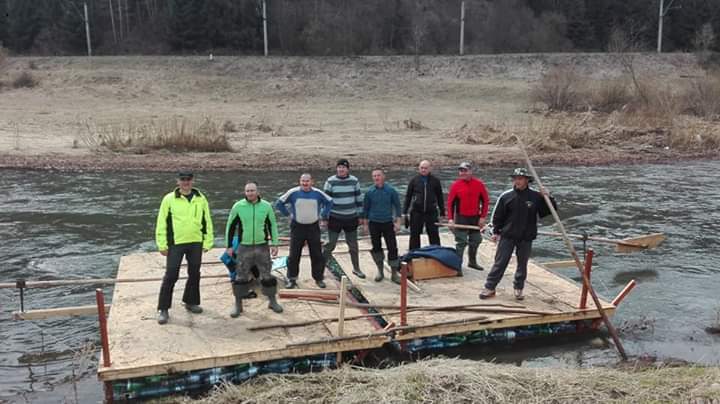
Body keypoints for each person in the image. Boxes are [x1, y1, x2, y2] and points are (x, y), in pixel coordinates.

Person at [480, 168, 556, 301]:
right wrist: (495, 232)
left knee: (522, 264)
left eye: (520, 179)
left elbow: (548, 211)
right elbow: (498, 216)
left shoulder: (536, 196)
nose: (517, 181)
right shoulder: (506, 196)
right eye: (515, 178)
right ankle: (490, 287)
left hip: (526, 237)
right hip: (507, 235)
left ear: (527, 180)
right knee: (500, 262)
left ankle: (518, 288)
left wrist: (548, 197)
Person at [155, 171, 214, 325]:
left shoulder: (201, 198)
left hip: (195, 242)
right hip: (175, 243)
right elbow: (161, 222)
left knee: (194, 273)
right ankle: (163, 309)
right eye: (183, 180)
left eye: (188, 179)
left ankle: (191, 302)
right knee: (171, 275)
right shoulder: (169, 199)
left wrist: (208, 241)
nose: (186, 182)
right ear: (178, 182)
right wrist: (162, 244)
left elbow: (207, 219)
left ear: (192, 181)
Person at [225, 181, 283, 318]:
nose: (250, 193)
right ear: (245, 192)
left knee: (267, 275)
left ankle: (272, 301)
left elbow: (272, 225)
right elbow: (230, 226)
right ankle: (238, 304)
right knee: (240, 277)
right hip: (244, 247)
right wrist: (229, 246)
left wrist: (275, 244)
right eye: (247, 191)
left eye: (252, 190)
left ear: (257, 191)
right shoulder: (238, 207)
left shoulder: (266, 206)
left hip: (262, 246)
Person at [275, 173, 333, 289]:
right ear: (299, 181)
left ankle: (318, 278)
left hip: (313, 227)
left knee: (316, 254)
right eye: (303, 181)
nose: (305, 183)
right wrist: (288, 214)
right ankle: (292, 279)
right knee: (294, 254)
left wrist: (323, 214)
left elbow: (330, 202)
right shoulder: (293, 192)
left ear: (312, 182)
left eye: (307, 181)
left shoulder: (318, 193)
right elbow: (279, 203)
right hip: (297, 227)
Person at [322, 159, 365, 278]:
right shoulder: (330, 181)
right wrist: (324, 218)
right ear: (337, 168)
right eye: (339, 167)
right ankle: (321, 266)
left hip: (351, 218)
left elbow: (359, 199)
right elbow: (325, 201)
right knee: (331, 243)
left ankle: (356, 269)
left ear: (348, 169)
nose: (341, 169)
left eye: (344, 167)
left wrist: (361, 216)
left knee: (353, 245)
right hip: (335, 218)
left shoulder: (354, 181)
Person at [447, 162, 490, 271]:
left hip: (475, 217)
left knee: (476, 240)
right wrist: (451, 219)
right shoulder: (455, 185)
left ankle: (472, 262)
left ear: (471, 171)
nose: (462, 173)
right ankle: (457, 266)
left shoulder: (479, 184)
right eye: (461, 170)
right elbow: (450, 204)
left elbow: (485, 201)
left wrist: (483, 217)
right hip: (461, 217)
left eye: (465, 170)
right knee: (461, 242)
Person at [362, 168, 402, 283]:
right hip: (374, 223)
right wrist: (365, 225)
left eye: (378, 175)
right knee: (376, 247)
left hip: (388, 223)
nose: (376, 178)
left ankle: (394, 274)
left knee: (392, 247)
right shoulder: (369, 192)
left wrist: (398, 222)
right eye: (374, 176)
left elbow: (398, 207)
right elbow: (365, 209)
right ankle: (380, 271)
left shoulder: (391, 190)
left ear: (383, 176)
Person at [403, 160, 445, 250]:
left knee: (434, 234)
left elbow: (440, 197)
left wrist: (442, 213)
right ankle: (414, 254)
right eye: (421, 168)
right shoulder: (414, 180)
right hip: (417, 212)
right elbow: (408, 197)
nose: (423, 170)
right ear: (419, 168)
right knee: (414, 234)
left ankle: (436, 253)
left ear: (430, 169)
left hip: (431, 212)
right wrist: (404, 212)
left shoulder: (435, 181)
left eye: (425, 168)